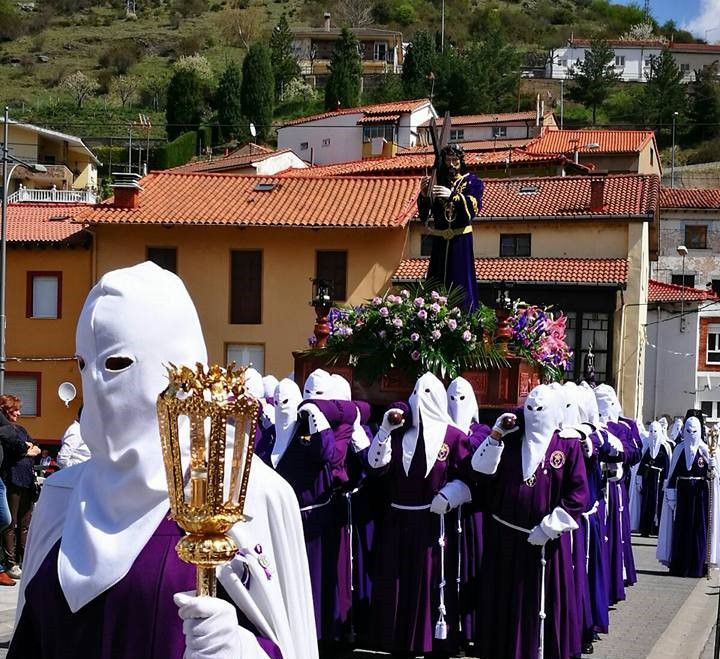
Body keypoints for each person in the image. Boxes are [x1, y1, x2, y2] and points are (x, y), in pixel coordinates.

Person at [10, 262, 318, 659]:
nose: (98, 386)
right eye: (84, 365)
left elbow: (286, 638)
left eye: (117, 364)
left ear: (177, 366)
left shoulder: (247, 493)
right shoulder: (62, 494)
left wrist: (241, 649)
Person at [471, 384, 588, 659]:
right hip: (507, 541)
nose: (535, 415)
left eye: (541, 410)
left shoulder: (567, 445)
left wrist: (550, 527)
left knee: (540, 604)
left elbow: (578, 493)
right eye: (531, 409)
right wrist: (496, 435)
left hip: (544, 542)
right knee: (506, 601)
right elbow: (480, 469)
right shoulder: (512, 439)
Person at [367, 372, 476, 656]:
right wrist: (384, 432)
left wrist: (449, 495)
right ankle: (396, 638)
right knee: (397, 581)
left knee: (429, 582)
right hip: (398, 522)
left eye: (428, 394)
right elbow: (377, 468)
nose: (421, 399)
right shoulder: (401, 433)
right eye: (416, 392)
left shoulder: (454, 437)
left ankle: (432, 641)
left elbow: (467, 479)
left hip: (432, 524)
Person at [418, 144, 483, 311]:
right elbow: (425, 214)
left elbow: (474, 206)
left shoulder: (472, 181)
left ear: (461, 161)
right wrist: (424, 194)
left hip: (460, 239)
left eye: (455, 160)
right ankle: (432, 314)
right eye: (448, 160)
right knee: (436, 279)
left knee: (461, 279)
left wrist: (453, 196)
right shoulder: (437, 181)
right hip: (440, 240)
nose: (452, 164)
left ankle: (464, 316)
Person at [657, 416, 719, 577]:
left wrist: (712, 467)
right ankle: (680, 566)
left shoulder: (706, 450)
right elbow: (672, 474)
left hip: (700, 495)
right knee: (681, 529)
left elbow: (713, 477)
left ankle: (698, 566)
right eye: (688, 431)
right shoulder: (678, 450)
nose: (691, 435)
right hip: (683, 495)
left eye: (695, 431)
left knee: (699, 529)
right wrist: (671, 494)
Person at [0, 395, 40, 580]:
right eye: (15, 410)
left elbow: (36, 447)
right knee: (11, 522)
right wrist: (26, 450)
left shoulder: (21, 429)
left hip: (27, 481)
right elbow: (14, 450)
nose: (19, 412)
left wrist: (29, 449)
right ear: (5, 410)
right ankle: (10, 563)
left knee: (25, 524)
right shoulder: (5, 430)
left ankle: (24, 560)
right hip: (12, 480)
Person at [636, 421, 672, 537]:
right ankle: (645, 529)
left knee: (657, 504)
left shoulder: (664, 448)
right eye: (650, 431)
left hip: (659, 480)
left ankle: (656, 529)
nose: (653, 434)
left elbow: (667, 465)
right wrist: (639, 479)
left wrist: (666, 482)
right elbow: (641, 465)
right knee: (646, 503)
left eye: (655, 431)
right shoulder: (647, 449)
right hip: (648, 479)